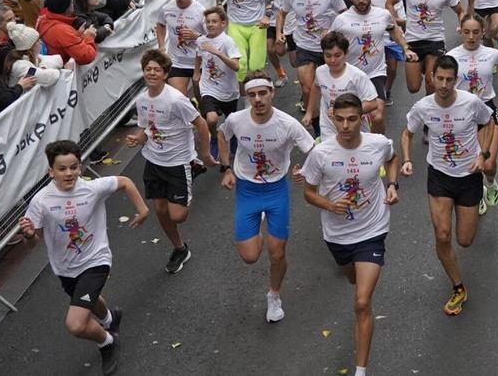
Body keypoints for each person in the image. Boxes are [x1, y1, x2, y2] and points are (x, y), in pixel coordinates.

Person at [19, 140, 149, 375]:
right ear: (51, 171)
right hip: (65, 268)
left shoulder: (92, 188)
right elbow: (32, 241)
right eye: (62, 169)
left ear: (80, 167)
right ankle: (110, 319)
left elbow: (125, 182)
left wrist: (143, 210)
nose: (69, 173)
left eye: (74, 167)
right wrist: (28, 235)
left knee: (76, 324)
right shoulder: (41, 200)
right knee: (89, 299)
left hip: (96, 261)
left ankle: (107, 342)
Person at [301, 93, 399, 376]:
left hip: (372, 230)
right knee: (352, 278)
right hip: (337, 235)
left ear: (362, 118)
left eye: (352, 119)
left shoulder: (377, 144)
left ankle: (360, 370)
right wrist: (330, 205)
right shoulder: (321, 154)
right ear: (332, 118)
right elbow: (308, 193)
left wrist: (393, 185)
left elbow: (392, 159)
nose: (345, 126)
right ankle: (356, 276)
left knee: (362, 302)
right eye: (340, 119)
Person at [399, 55, 493, 316]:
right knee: (442, 234)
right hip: (439, 175)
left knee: (465, 240)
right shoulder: (423, 107)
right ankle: (458, 287)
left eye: (448, 80)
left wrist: (483, 154)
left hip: (469, 175)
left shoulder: (471, 102)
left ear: (456, 80)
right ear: (431, 77)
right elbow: (407, 133)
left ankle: (482, 193)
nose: (443, 84)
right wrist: (407, 160)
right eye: (439, 78)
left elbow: (489, 123)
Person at [218, 74, 314, 324]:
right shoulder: (236, 120)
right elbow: (222, 135)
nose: (258, 99)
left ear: (272, 93)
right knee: (250, 257)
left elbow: (313, 150)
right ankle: (257, 231)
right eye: (252, 95)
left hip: (276, 191)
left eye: (263, 93)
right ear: (247, 96)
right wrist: (226, 168)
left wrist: (304, 170)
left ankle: (274, 295)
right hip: (247, 191)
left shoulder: (287, 124)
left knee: (277, 254)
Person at [123, 49, 214, 274]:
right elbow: (146, 128)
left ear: (165, 74)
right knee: (161, 210)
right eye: (148, 69)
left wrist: (205, 154)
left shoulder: (176, 100)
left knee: (178, 215)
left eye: (157, 70)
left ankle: (193, 168)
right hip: (154, 161)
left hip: (178, 162)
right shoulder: (142, 100)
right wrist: (138, 137)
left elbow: (201, 124)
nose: (152, 73)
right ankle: (179, 248)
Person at [445, 15, 498, 216]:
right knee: (470, 163)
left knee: (488, 164)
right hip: (461, 114)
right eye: (467, 32)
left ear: (483, 32)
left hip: (487, 110)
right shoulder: (452, 56)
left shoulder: (492, 54)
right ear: (460, 31)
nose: (471, 37)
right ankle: (476, 195)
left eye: (476, 32)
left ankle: (489, 182)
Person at [331, 0, 415, 116]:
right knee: (350, 115)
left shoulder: (383, 15)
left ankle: (377, 132)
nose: (361, 0)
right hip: (350, 74)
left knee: (377, 115)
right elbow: (330, 43)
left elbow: (393, 29)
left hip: (375, 73)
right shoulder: (341, 20)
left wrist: (405, 48)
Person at [277, 0, 346, 117]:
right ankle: (314, 122)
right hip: (304, 46)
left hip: (327, 47)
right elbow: (281, 13)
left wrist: (332, 31)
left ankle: (333, 116)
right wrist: (279, 32)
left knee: (333, 88)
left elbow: (344, 13)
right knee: (307, 88)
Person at [391, 0, 463, 95]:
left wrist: (462, 25)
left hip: (435, 39)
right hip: (413, 39)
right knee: (413, 88)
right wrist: (394, 23)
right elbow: (390, 2)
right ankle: (422, 66)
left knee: (431, 83)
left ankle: (429, 107)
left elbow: (460, 11)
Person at [304, 31, 382, 140]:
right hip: (328, 127)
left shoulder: (357, 76)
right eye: (328, 56)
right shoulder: (320, 72)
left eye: (337, 55)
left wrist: (342, 112)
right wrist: (309, 112)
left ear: (346, 53)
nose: (332, 60)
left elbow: (373, 103)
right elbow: (316, 87)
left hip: (354, 128)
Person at [193, 6, 241, 161]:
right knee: (211, 119)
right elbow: (198, 55)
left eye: (214, 21)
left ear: (223, 23)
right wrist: (196, 73)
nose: (210, 24)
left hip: (229, 90)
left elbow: (236, 66)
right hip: (208, 88)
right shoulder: (201, 40)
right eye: (208, 22)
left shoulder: (227, 42)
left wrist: (218, 53)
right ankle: (214, 137)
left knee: (231, 121)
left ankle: (232, 137)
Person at [156, 0, 205, 94]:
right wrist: (161, 46)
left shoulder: (201, 11)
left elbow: (212, 38)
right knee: (178, 99)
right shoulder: (167, 9)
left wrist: (197, 36)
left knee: (202, 100)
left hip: (199, 63)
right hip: (177, 63)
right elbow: (160, 25)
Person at [37, 0, 99, 65]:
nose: (74, 5)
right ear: (66, 7)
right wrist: (89, 37)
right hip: (63, 68)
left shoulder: (44, 20)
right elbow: (86, 56)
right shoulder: (62, 30)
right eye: (72, 3)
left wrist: (78, 35)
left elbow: (63, 43)